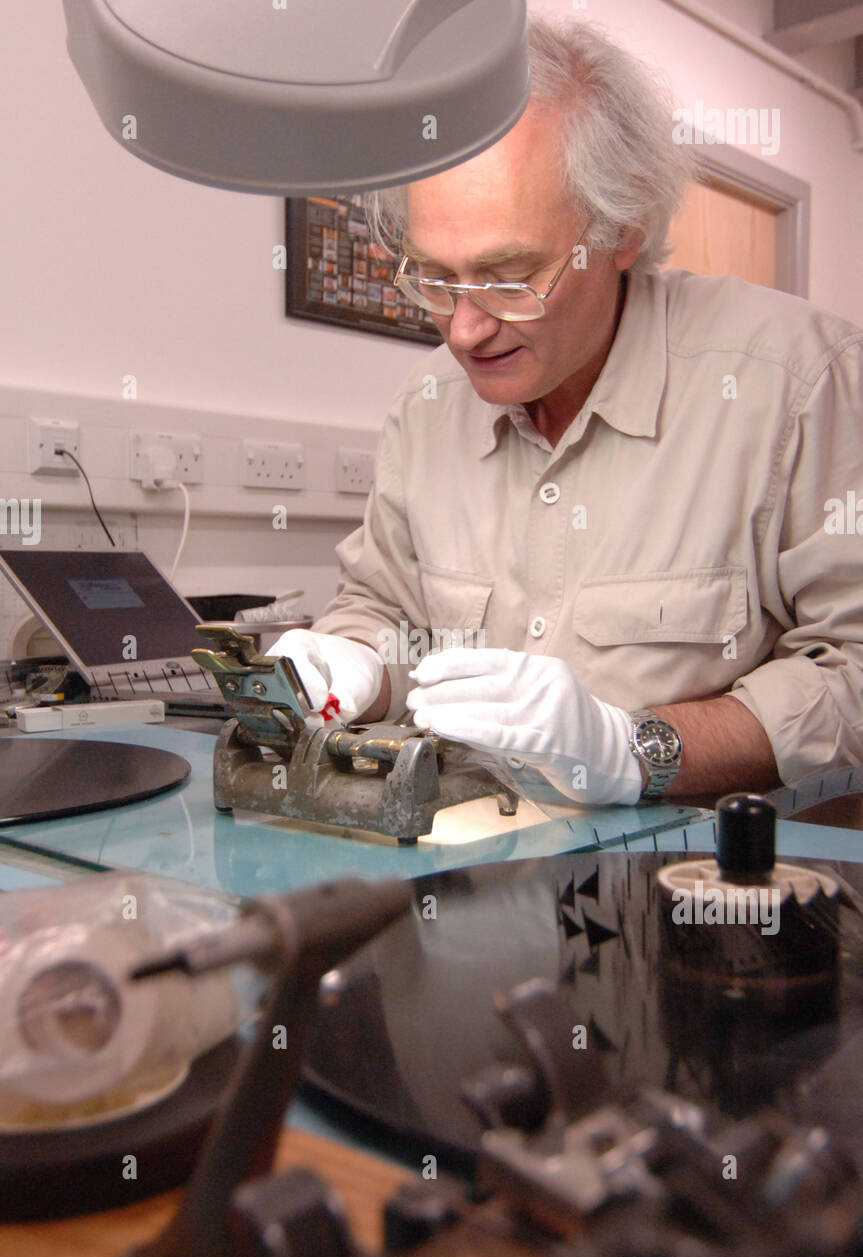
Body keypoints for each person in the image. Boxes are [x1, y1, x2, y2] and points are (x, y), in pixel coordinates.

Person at [270, 16, 863, 806]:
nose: (463, 328)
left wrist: (637, 748)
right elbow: (385, 605)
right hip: (470, 880)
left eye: (510, 277)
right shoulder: (426, 409)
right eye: (434, 279)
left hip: (697, 893)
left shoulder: (795, 379)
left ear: (621, 229)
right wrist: (357, 666)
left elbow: (852, 672)